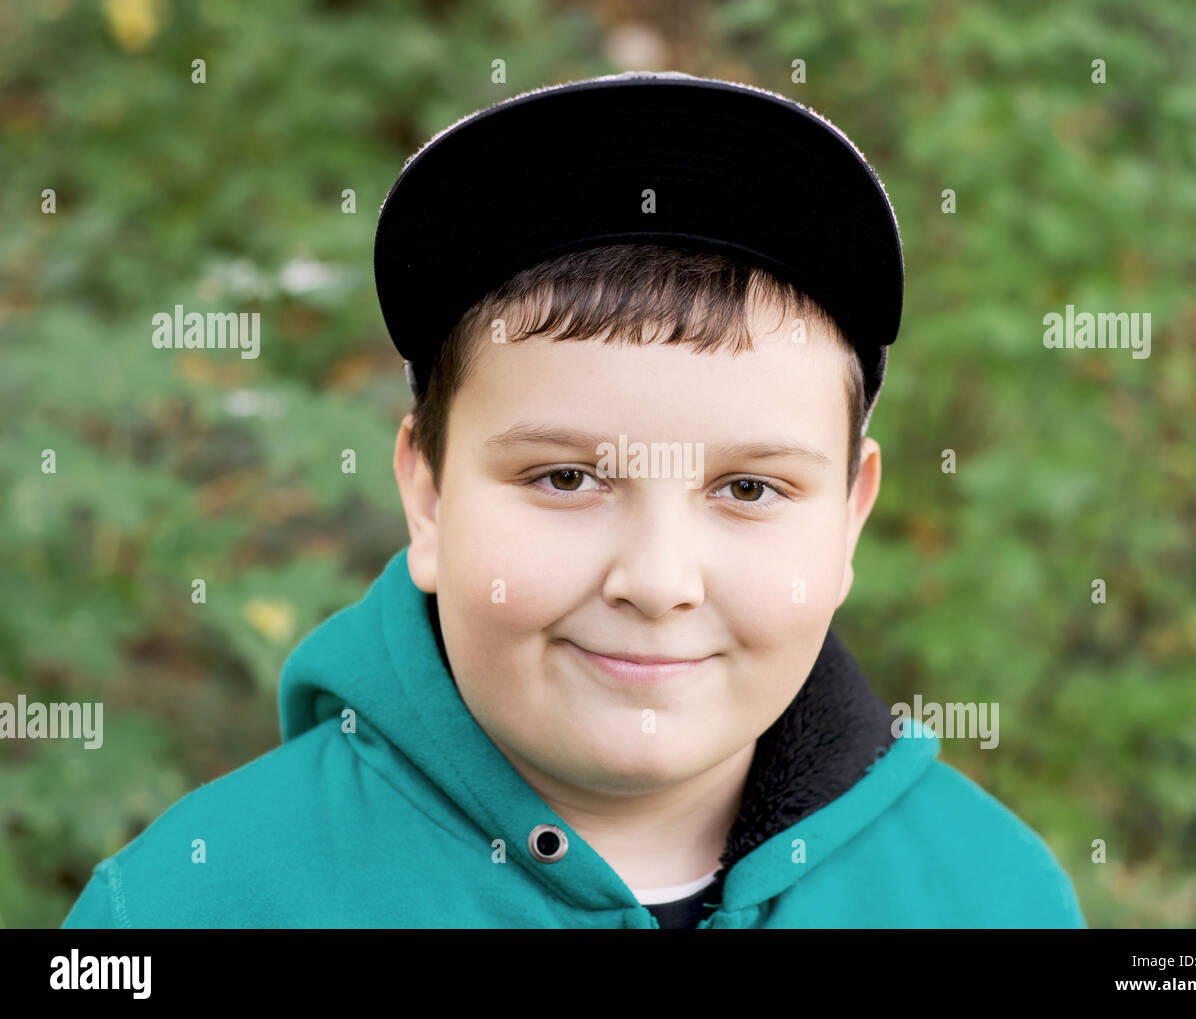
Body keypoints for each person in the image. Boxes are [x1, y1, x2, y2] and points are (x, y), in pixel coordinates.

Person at [64, 71, 1085, 929]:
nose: (654, 580)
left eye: (747, 487)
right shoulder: (183, 905)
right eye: (565, 477)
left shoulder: (995, 893)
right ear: (427, 493)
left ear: (849, 515)